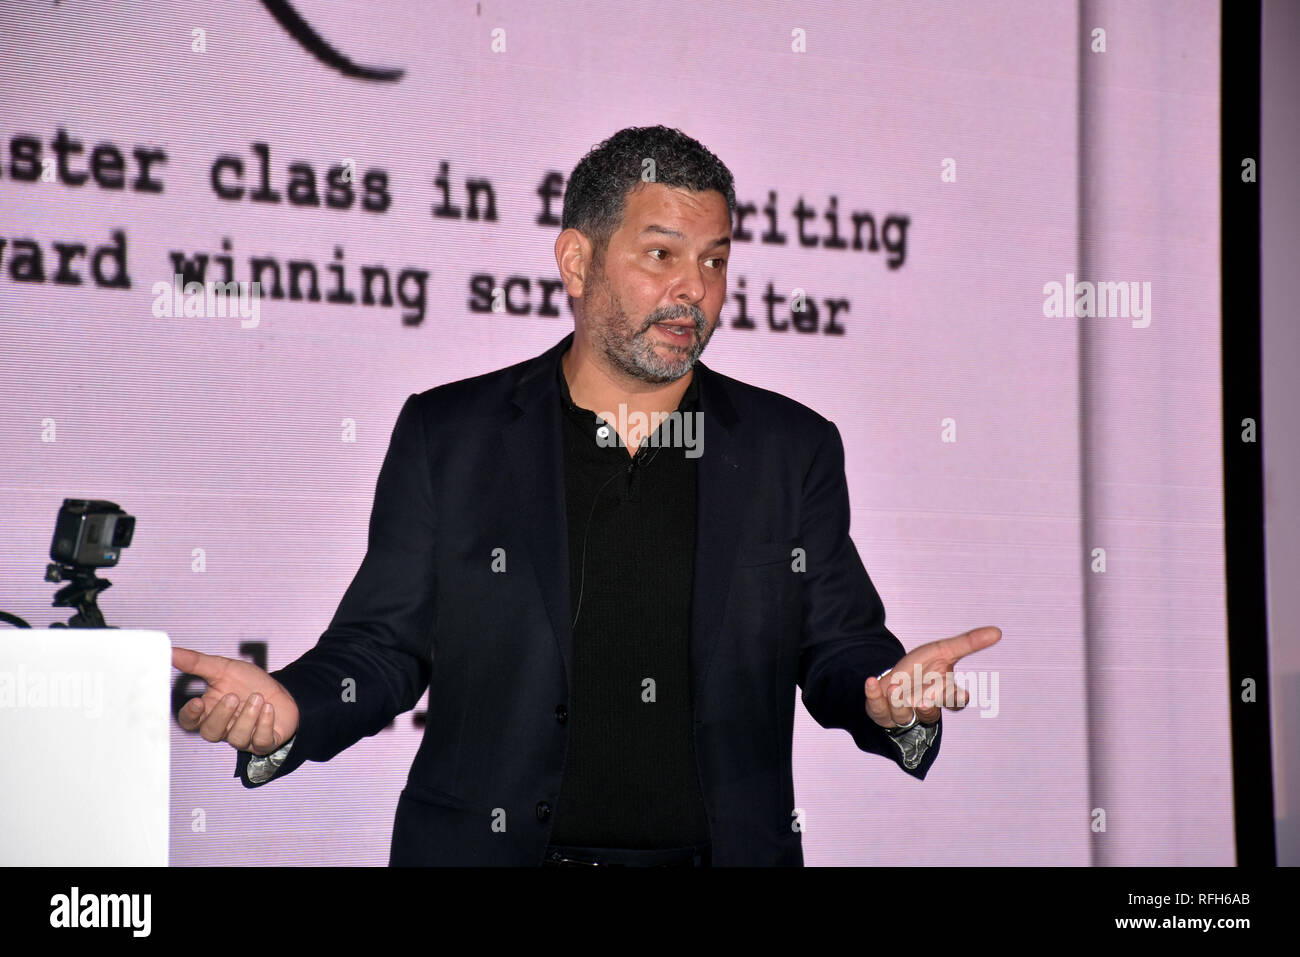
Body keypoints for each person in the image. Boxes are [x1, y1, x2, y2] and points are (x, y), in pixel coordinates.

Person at [172, 125, 1001, 866]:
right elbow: (382, 647)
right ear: (577, 260)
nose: (694, 291)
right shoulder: (451, 435)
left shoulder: (790, 447)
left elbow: (838, 646)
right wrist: (294, 708)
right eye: (662, 254)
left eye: (715, 260)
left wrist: (892, 698)